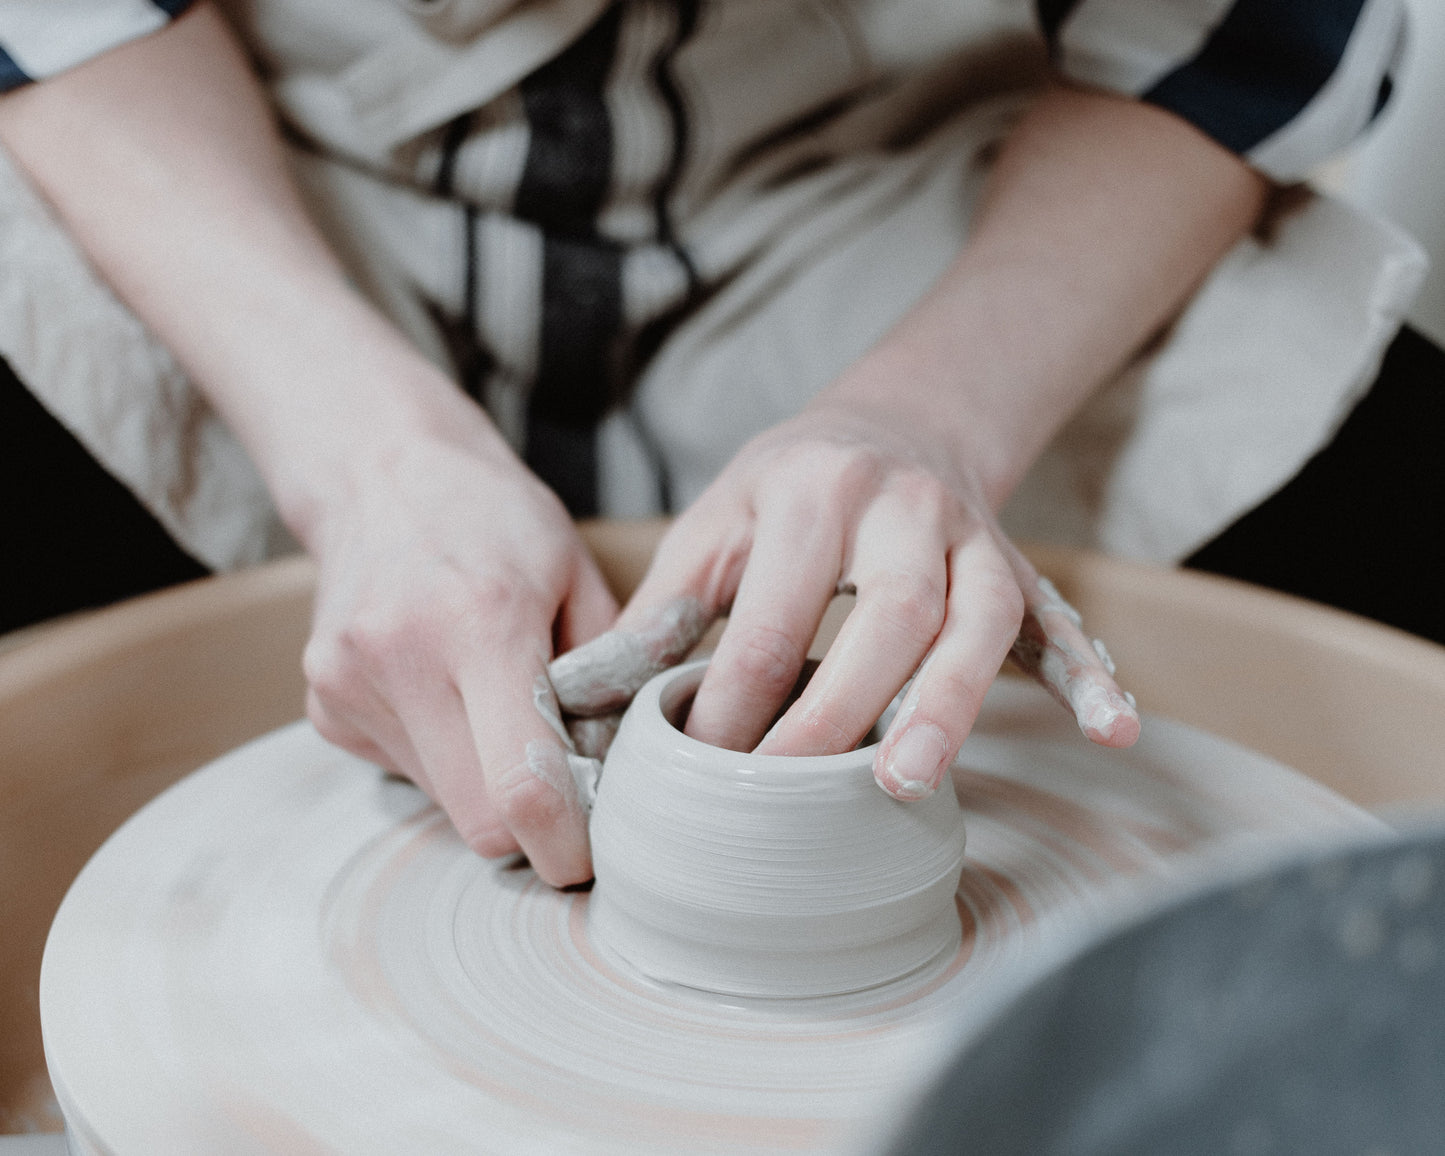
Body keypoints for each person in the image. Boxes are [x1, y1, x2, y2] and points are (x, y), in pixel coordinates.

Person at [0, 0, 1421, 886]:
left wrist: (925, 420)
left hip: (893, 168)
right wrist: (369, 461)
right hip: (275, 166)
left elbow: (1232, 39)